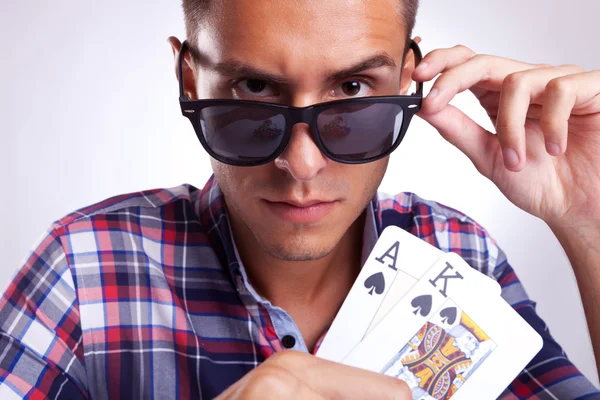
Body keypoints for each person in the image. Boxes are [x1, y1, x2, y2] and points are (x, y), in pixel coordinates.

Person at [1, 0, 599, 398]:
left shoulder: (459, 251)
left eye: (353, 88)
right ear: (190, 81)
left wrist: (590, 221)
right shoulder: (84, 268)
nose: (303, 163)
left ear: (409, 77)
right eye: (255, 88)